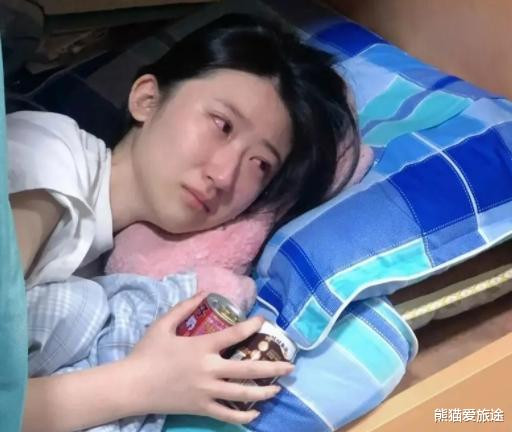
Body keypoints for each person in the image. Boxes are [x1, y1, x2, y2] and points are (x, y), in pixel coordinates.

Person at [8, 13, 359, 432]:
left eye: (260, 164)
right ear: (147, 99)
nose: (225, 175)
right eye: (222, 125)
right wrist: (144, 384)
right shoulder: (45, 154)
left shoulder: (110, 264)